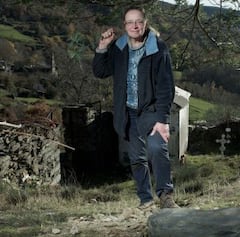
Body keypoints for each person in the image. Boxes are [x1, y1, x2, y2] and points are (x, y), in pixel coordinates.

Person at [92, 6, 178, 209]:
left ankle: (165, 195)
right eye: (130, 22)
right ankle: (145, 198)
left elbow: (166, 86)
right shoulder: (119, 47)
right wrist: (103, 47)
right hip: (127, 112)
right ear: (125, 26)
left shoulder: (158, 48)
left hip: (150, 110)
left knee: (157, 148)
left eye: (138, 21)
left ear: (145, 23)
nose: (134, 25)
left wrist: (162, 119)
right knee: (136, 157)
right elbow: (101, 71)